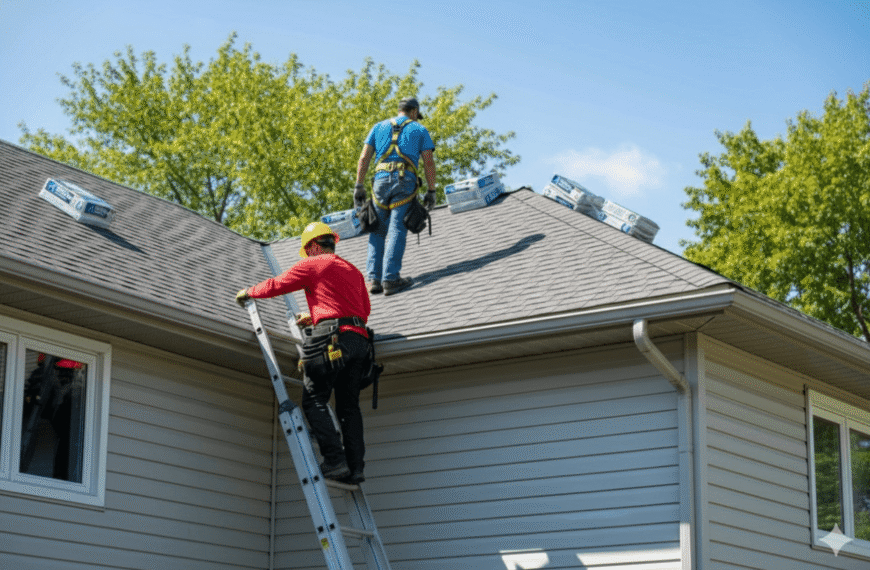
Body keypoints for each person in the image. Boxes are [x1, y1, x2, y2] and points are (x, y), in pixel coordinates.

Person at [235, 222, 372, 483]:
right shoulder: (353, 270)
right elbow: (362, 310)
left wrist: (249, 292)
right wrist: (316, 316)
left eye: (308, 250)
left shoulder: (314, 263)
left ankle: (334, 461)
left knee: (315, 400)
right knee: (348, 408)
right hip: (359, 342)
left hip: (332, 338)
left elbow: (279, 284)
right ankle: (356, 468)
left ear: (314, 246)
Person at [355, 97, 437, 296]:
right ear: (414, 112)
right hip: (404, 180)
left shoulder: (378, 127)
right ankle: (390, 279)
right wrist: (431, 190)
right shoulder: (419, 129)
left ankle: (374, 279)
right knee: (397, 229)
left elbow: (364, 157)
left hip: (380, 182)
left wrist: (358, 185)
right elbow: (428, 162)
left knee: (377, 228)